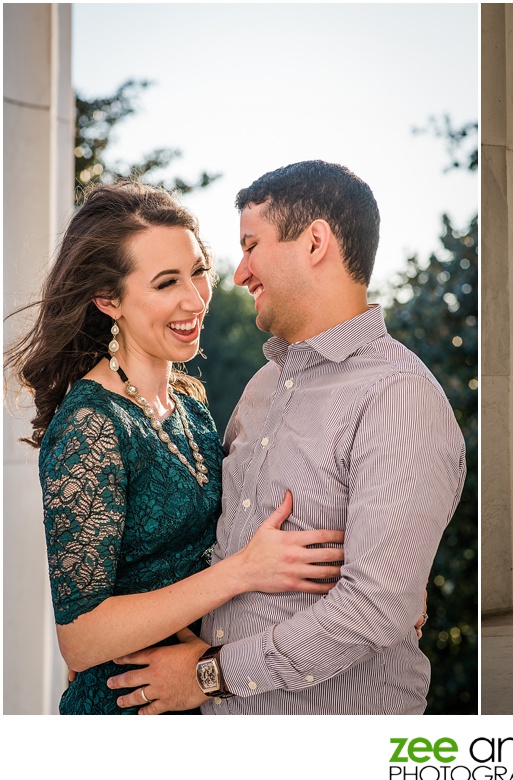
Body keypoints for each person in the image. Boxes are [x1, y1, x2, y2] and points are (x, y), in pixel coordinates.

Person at [106, 160, 467, 715]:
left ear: (315, 242)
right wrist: (113, 632)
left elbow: (376, 607)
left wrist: (210, 675)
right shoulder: (264, 386)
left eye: (252, 246)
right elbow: (208, 536)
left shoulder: (397, 396)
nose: (239, 274)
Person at [5, 182, 345, 715]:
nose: (194, 299)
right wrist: (241, 572)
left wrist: (385, 581)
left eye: (198, 271)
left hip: (199, 693)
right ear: (108, 300)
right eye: (166, 283)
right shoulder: (91, 425)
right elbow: (81, 638)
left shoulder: (188, 403)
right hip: (125, 711)